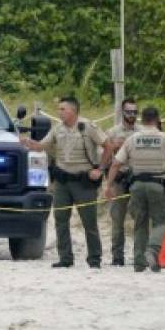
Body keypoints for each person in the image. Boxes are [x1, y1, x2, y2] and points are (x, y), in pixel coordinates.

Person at [22, 96, 109, 268]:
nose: (59, 112)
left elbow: (109, 145)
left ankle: (94, 259)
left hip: (83, 181)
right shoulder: (57, 129)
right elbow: (42, 146)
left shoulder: (88, 127)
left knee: (89, 221)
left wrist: (100, 169)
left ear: (73, 110)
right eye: (59, 109)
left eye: (63, 109)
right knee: (60, 219)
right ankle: (65, 258)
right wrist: (28, 142)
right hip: (63, 181)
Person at [105, 107, 165, 272]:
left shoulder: (132, 139)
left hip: (136, 185)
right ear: (157, 119)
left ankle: (139, 263)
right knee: (161, 222)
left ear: (142, 119)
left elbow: (116, 163)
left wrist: (108, 185)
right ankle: (152, 251)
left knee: (140, 223)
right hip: (157, 184)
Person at [104, 97, 142, 266]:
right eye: (129, 111)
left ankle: (139, 255)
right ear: (122, 112)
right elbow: (103, 155)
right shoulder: (112, 132)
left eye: (135, 112)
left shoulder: (142, 131)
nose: (132, 115)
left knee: (140, 217)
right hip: (119, 179)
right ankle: (117, 257)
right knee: (117, 220)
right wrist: (112, 145)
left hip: (136, 179)